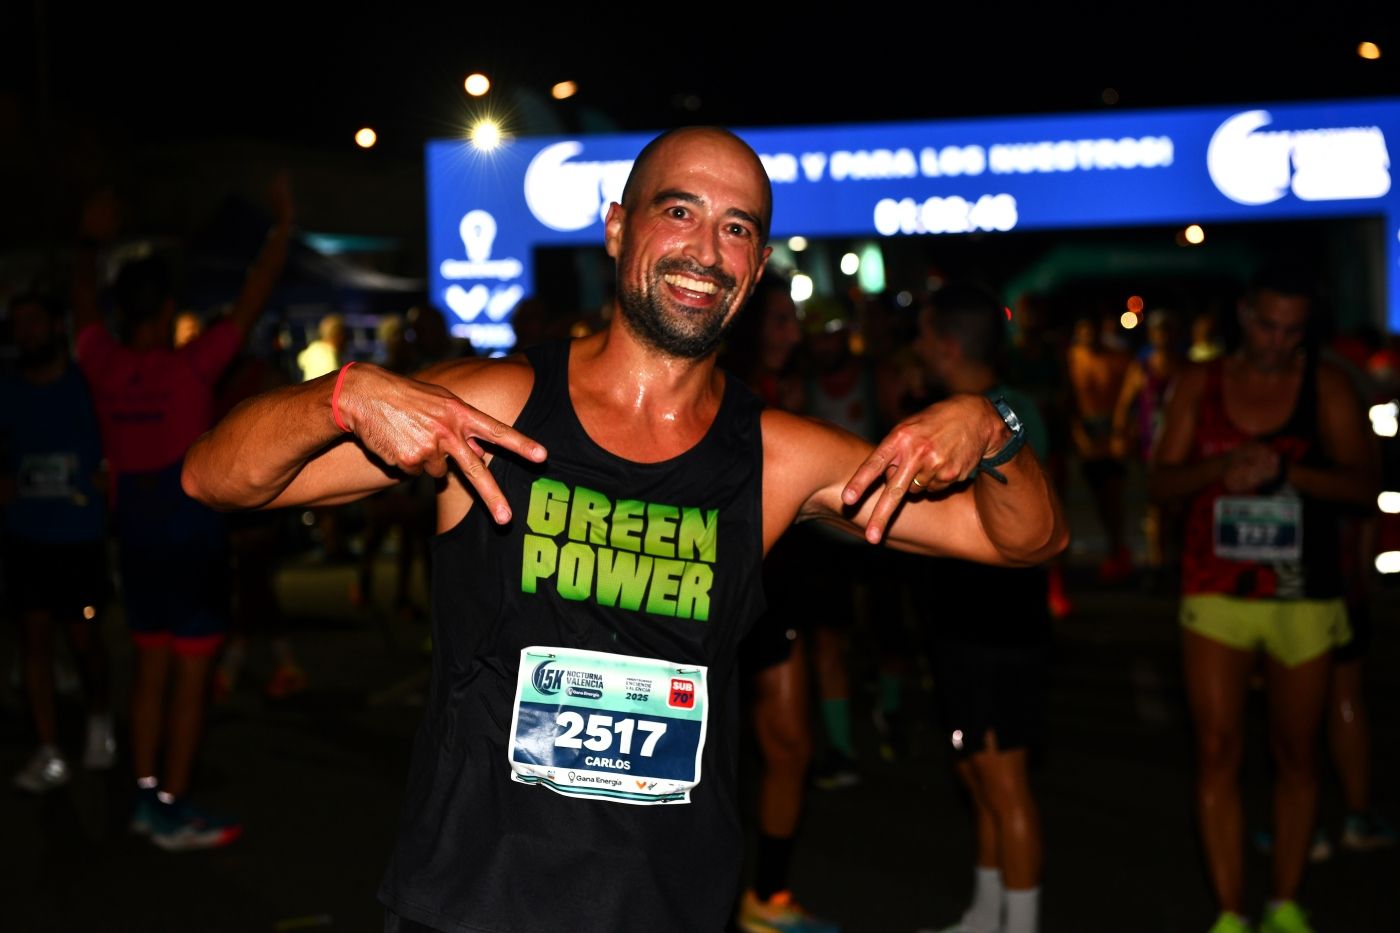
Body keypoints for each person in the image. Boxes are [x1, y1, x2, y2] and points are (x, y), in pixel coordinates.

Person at [181, 126, 1066, 933]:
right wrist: (342, 393)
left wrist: (995, 433)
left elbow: (1024, 541)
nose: (705, 250)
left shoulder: (779, 456)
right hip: (468, 906)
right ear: (617, 228)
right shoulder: (489, 406)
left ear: (754, 270)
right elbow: (213, 477)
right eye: (679, 210)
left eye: (736, 228)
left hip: (670, 908)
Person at [1149, 261, 1378, 933]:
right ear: (1245, 316)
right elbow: (1160, 483)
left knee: (1295, 751)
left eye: (1293, 331)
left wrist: (1286, 470)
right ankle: (1227, 911)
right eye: (1268, 325)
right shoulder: (1201, 381)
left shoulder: (1328, 386)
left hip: (1304, 592)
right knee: (1218, 748)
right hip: (1216, 585)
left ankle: (1284, 900)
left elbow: (1366, 486)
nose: (1278, 342)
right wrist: (1222, 465)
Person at [73, 174, 293, 851]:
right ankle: (171, 804)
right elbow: (249, 305)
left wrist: (89, 242)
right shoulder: (191, 367)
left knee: (149, 669)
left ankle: (144, 795)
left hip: (135, 535)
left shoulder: (104, 366)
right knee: (192, 674)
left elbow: (81, 311)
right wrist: (281, 229)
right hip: (192, 534)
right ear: (167, 307)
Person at [912, 282, 1052, 933]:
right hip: (962, 622)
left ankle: (1018, 924)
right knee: (977, 778)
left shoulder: (1009, 416)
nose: (916, 348)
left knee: (1006, 784)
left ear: (946, 344)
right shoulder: (951, 409)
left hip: (1001, 624)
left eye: (924, 336)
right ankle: (985, 912)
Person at [721, 272, 838, 932]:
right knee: (708, 756)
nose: (794, 334)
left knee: (789, 744)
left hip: (782, 587)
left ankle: (768, 894)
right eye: (780, 322)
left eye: (795, 322)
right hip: (715, 589)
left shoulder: (800, 393)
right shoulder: (722, 394)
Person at [2, 291, 115, 792]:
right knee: (34, 638)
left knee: (83, 636)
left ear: (56, 326)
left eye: (34, 321)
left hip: (79, 536)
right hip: (27, 534)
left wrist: (108, 478)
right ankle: (48, 749)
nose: (25, 332)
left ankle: (98, 718)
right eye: (17, 323)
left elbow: (116, 449)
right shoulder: (7, 390)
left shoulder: (87, 387)